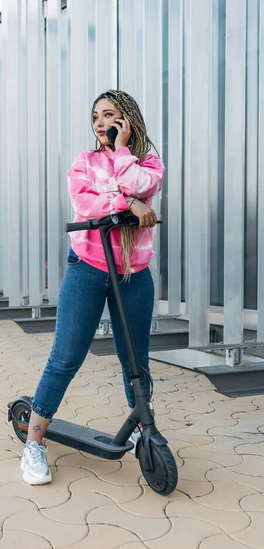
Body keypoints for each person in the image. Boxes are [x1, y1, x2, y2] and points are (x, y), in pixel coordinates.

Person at [21, 89, 165, 485]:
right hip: (87, 267)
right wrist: (131, 205)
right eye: (96, 117)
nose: (101, 123)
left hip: (134, 273)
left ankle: (142, 430)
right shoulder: (83, 163)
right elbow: (85, 204)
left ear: (127, 120)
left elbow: (141, 182)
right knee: (66, 357)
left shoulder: (148, 162)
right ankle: (33, 443)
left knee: (135, 361)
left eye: (110, 116)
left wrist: (121, 152)